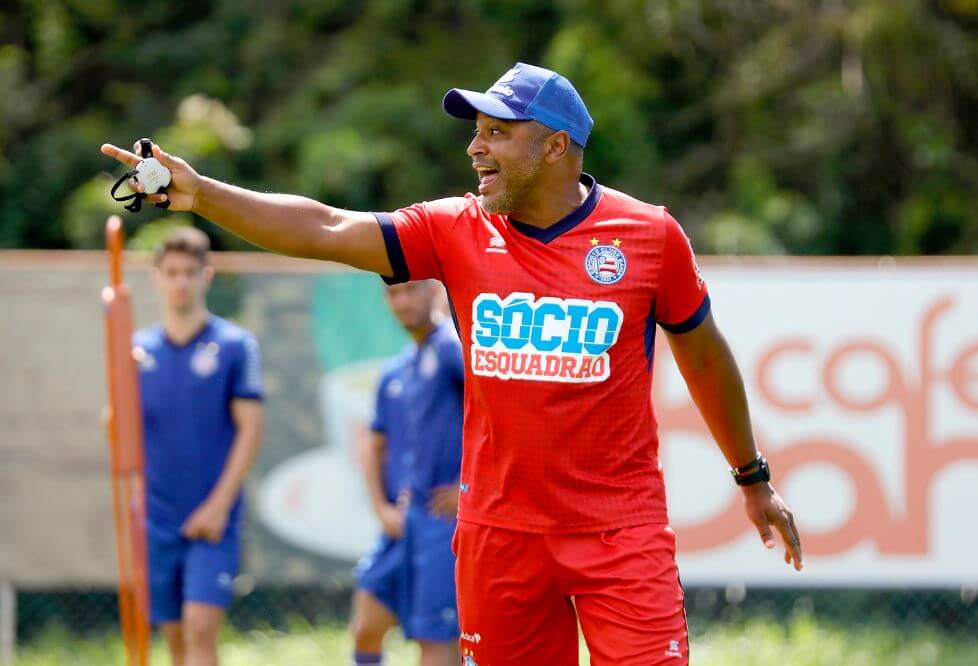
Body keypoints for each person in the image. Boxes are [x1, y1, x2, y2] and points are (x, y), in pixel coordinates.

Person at [103, 62, 802, 665]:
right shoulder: (455, 231)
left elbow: (705, 358)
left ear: (557, 145)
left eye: (497, 132)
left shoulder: (649, 237)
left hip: (621, 535)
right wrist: (204, 194)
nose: (475, 148)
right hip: (500, 541)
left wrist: (752, 477)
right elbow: (324, 227)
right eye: (476, 131)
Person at [132, 228, 264, 666]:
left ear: (206, 275)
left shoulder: (234, 346)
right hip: (156, 517)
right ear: (156, 277)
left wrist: (219, 505)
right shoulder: (137, 350)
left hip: (212, 518)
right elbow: (120, 428)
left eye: (190, 272)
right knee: (174, 641)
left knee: (201, 628)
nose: (181, 282)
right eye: (171, 272)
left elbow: (250, 428)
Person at [350, 280, 464, 666]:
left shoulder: (452, 348)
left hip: (442, 524)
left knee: (436, 640)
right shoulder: (398, 368)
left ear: (433, 290)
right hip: (403, 522)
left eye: (410, 290)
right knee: (366, 622)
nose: (402, 301)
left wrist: (471, 489)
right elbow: (373, 443)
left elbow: (501, 415)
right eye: (394, 293)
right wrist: (381, 507)